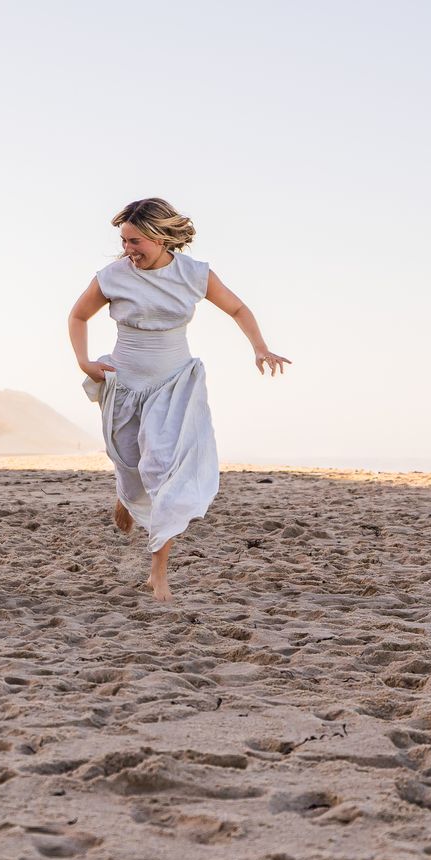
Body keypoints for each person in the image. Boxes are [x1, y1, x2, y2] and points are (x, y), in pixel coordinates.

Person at [67, 198, 289, 602]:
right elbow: (78, 315)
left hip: (174, 385)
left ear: (160, 236)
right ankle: (125, 495)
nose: (128, 249)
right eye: (124, 240)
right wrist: (85, 362)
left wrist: (260, 347)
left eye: (135, 241)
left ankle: (158, 573)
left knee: (164, 470)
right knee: (131, 465)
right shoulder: (113, 276)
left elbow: (237, 308)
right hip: (125, 384)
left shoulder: (195, 274)